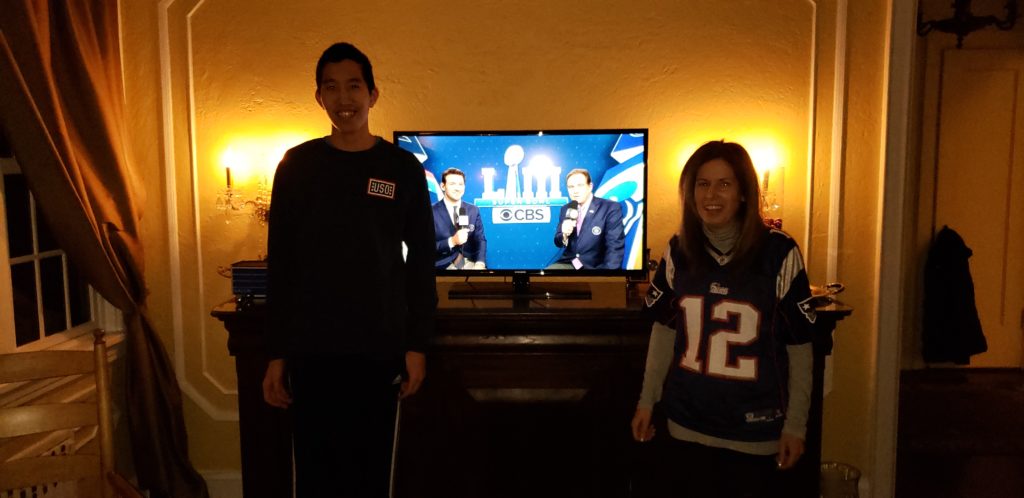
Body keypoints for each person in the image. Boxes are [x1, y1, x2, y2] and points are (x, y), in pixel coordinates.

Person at [261, 42, 437, 498]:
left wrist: (416, 344)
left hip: (379, 347)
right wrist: (277, 353)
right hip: (312, 349)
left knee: (371, 474)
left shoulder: (401, 168)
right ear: (319, 97)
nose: (344, 99)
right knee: (316, 474)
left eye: (354, 86)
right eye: (332, 88)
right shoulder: (297, 166)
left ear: (373, 94)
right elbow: (281, 263)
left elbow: (422, 260)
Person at [630, 140, 815, 498]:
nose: (711, 195)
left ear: (744, 193)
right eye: (702, 184)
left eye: (724, 184)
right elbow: (664, 330)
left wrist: (796, 426)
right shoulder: (679, 249)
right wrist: (646, 401)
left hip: (754, 430)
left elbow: (800, 347)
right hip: (686, 423)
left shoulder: (778, 253)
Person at [549, 168, 625, 269]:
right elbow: (558, 241)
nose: (575, 191)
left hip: (596, 267)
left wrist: (608, 275)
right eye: (571, 187)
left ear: (590, 187)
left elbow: (614, 247)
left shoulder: (610, 208)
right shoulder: (566, 209)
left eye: (580, 185)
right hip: (569, 263)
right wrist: (564, 234)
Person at [432, 167, 487, 269]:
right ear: (443, 186)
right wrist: (452, 241)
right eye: (452, 184)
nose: (457, 188)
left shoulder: (473, 210)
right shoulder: (430, 211)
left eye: (460, 184)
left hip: (470, 264)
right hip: (442, 266)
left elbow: (480, 240)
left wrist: (480, 263)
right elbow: (423, 246)